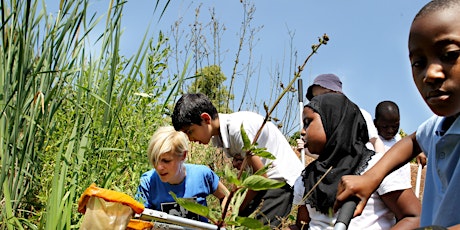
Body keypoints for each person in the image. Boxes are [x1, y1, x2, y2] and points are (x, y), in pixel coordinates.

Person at [335, 0, 460, 228]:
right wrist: (370, 178)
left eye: (450, 54)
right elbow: (412, 141)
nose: (429, 74)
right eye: (418, 63)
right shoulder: (441, 125)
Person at [289, 93, 420, 230]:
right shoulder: (307, 178)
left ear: (334, 122)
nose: (302, 132)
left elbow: (413, 217)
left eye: (308, 123)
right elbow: (302, 224)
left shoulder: (376, 167)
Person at [171, 93, 304, 227]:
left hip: (279, 181)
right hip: (265, 183)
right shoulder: (220, 135)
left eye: (190, 131)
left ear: (206, 119)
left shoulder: (236, 129)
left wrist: (236, 208)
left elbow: (261, 176)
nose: (190, 139)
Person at [135, 126, 229, 222]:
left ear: (183, 156)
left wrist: (225, 220)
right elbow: (139, 219)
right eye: (154, 160)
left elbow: (226, 196)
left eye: (166, 161)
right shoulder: (148, 182)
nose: (159, 167)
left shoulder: (202, 175)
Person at [305, 73, 385, 154]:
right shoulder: (319, 122)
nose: (320, 100)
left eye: (324, 94)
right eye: (316, 97)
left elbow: (375, 141)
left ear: (337, 92)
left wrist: (381, 163)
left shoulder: (360, 114)